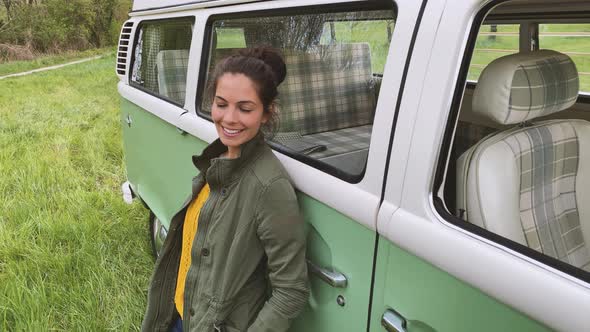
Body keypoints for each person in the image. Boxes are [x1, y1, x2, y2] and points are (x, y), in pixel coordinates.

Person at [141, 47, 310, 332]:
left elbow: (291, 290)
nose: (229, 118)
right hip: (182, 315)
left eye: (245, 109)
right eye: (221, 104)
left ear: (267, 113)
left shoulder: (269, 186)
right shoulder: (217, 161)